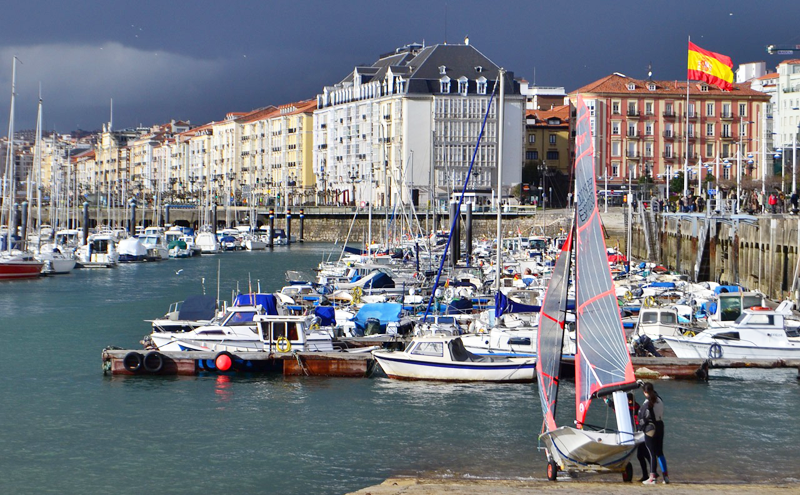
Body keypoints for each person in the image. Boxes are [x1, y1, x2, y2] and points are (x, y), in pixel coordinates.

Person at [639, 382, 669, 484]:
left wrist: (640, 428)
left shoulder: (647, 403)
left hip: (651, 428)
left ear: (644, 392)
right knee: (660, 453)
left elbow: (643, 418)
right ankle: (666, 477)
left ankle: (652, 478)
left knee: (651, 453)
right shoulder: (659, 399)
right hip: (660, 426)